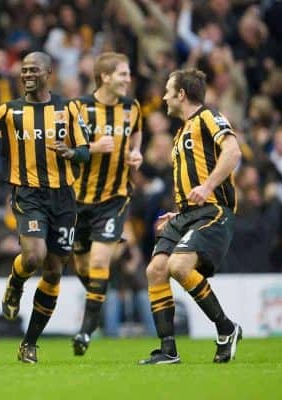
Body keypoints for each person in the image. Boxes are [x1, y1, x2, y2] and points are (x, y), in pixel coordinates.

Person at [0, 51, 90, 363]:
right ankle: (16, 281)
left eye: (33, 70)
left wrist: (71, 153)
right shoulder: (9, 111)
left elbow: (85, 151)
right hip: (28, 194)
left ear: (48, 73)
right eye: (23, 70)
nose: (26, 75)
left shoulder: (68, 108)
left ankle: (29, 343)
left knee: (53, 271)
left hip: (64, 199)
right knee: (34, 256)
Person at [139, 68, 242, 365]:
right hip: (187, 214)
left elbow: (233, 151)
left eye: (168, 90)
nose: (164, 97)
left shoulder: (208, 116)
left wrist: (208, 185)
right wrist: (181, 208)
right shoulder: (181, 132)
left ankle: (226, 328)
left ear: (181, 94)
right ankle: (168, 350)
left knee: (179, 265)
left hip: (213, 210)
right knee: (156, 270)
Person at [69, 52, 143, 355]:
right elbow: (63, 148)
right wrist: (92, 148)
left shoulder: (132, 108)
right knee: (84, 267)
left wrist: (137, 154)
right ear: (105, 77)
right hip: (77, 201)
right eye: (123, 74)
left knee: (100, 261)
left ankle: (86, 332)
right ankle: (98, 302)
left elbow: (136, 136)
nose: (128, 79)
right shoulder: (79, 108)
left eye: (127, 74)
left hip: (115, 196)